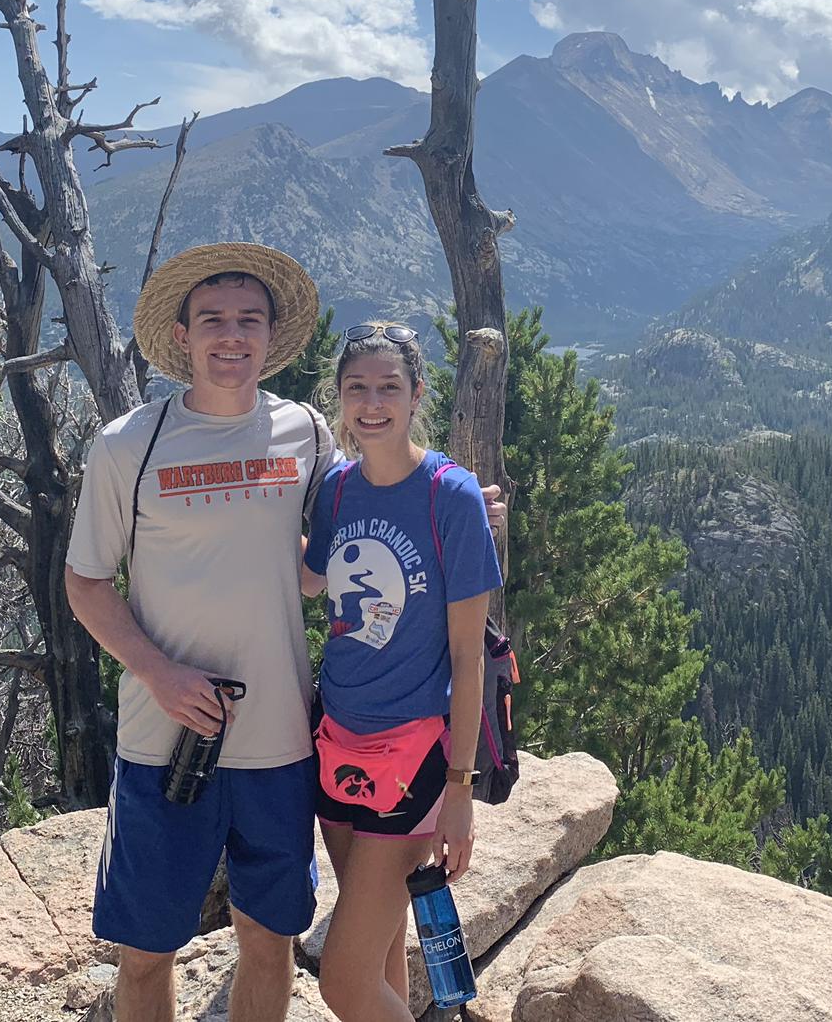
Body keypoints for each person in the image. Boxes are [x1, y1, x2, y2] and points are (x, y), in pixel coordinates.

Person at [65, 246, 504, 1022]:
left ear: (272, 337)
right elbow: (85, 582)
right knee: (144, 956)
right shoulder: (127, 446)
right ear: (182, 333)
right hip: (161, 742)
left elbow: (327, 555)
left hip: (283, 746)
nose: (230, 337)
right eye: (213, 321)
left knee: (268, 943)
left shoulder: (304, 435)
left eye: (248, 321)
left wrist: (466, 519)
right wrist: (158, 674)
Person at [300, 323, 503, 1022]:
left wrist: (459, 789)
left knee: (341, 981)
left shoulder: (451, 498)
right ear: (339, 397)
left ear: (418, 394)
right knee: (381, 953)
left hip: (415, 758)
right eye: (357, 388)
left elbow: (469, 657)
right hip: (337, 746)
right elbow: (305, 580)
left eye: (389, 387)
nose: (372, 403)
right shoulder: (335, 490)